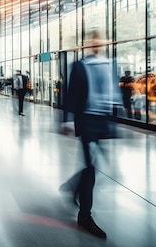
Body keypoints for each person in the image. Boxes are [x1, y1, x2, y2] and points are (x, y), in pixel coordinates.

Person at [61, 30, 120, 239]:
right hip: (86, 120)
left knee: (93, 166)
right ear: (87, 43)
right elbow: (72, 94)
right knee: (92, 166)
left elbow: (114, 92)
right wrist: (68, 120)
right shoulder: (80, 65)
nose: (96, 42)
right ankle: (85, 214)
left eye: (99, 39)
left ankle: (74, 187)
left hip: (102, 121)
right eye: (92, 39)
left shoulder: (109, 64)